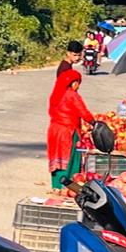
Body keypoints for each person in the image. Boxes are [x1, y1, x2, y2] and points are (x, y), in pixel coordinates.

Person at [47, 55, 96, 189]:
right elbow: (83, 112)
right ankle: (68, 186)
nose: (78, 86)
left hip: (54, 129)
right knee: (70, 158)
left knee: (57, 157)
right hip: (67, 131)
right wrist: (95, 123)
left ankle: (56, 185)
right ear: (73, 83)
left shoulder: (57, 93)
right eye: (78, 83)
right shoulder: (72, 95)